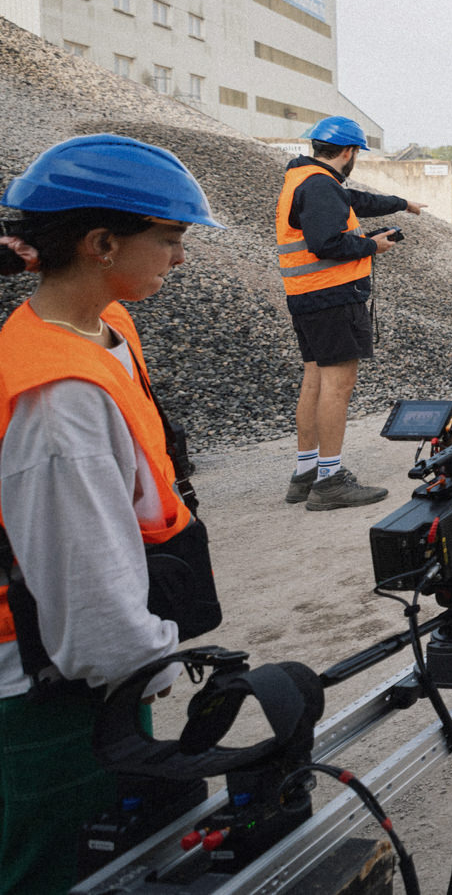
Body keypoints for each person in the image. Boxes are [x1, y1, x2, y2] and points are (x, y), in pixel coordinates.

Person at [0, 135, 223, 894]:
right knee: (63, 867)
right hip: (49, 694)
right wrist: (147, 659)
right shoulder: (59, 404)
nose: (180, 259)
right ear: (101, 244)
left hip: (92, 669)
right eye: (168, 240)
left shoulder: (105, 326)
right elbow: (85, 596)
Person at [278, 116, 423, 510]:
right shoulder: (320, 185)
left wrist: (401, 205)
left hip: (307, 297)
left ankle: (306, 472)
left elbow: (355, 201)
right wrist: (373, 246)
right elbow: (326, 243)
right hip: (333, 297)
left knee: (314, 381)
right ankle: (330, 480)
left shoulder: (306, 179)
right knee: (336, 388)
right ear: (349, 152)